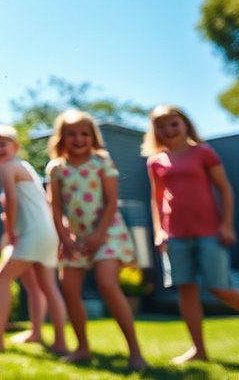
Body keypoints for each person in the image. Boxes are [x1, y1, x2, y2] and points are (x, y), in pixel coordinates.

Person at [142, 105, 239, 364]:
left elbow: (225, 188)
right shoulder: (155, 161)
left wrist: (227, 225)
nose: (169, 130)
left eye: (173, 123)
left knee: (220, 288)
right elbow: (156, 199)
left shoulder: (203, 152)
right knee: (186, 290)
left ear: (185, 124)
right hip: (175, 236)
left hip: (209, 232)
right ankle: (199, 350)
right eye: (161, 126)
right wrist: (159, 231)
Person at [46, 110, 146, 370]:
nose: (79, 139)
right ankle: (82, 347)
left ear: (93, 137)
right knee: (69, 289)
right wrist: (65, 238)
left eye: (84, 134)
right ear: (62, 138)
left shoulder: (102, 162)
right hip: (75, 238)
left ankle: (135, 352)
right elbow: (55, 208)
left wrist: (99, 234)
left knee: (107, 283)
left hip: (107, 232)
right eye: (72, 134)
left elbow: (112, 202)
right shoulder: (56, 168)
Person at [0, 125, 68, 355]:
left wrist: (10, 232)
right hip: (46, 233)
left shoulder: (7, 168)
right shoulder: (25, 166)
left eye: (2, 145)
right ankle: (49, 338)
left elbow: (12, 202)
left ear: (15, 146)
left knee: (1, 280)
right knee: (43, 287)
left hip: (31, 233)